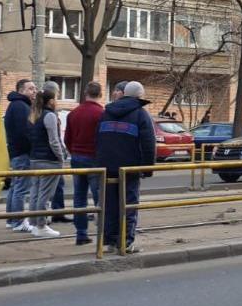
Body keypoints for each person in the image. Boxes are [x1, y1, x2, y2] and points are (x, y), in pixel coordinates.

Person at [96, 81, 156, 253]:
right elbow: (148, 144)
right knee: (128, 205)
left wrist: (99, 162)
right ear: (139, 96)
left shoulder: (106, 112)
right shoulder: (141, 114)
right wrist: (147, 169)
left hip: (106, 167)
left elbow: (98, 138)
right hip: (130, 169)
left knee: (110, 205)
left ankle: (110, 241)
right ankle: (126, 242)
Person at [26, 82, 69, 238]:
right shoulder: (49, 115)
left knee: (35, 193)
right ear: (51, 101)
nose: (56, 101)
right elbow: (54, 140)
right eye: (56, 98)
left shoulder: (34, 114)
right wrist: (61, 157)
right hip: (49, 160)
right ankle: (41, 225)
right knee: (44, 194)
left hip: (35, 158)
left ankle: (33, 223)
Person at [65, 81, 105, 245]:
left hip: (77, 158)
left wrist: (74, 151)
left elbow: (67, 139)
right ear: (100, 94)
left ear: (85, 94)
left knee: (79, 198)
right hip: (95, 159)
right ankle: (103, 235)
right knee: (99, 199)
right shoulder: (102, 114)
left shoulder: (73, 113)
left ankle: (81, 234)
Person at [3, 79, 37, 232]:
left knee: (16, 186)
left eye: (35, 88)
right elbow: (26, 131)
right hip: (23, 152)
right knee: (21, 188)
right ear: (21, 90)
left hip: (16, 151)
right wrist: (32, 148)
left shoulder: (15, 105)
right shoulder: (21, 107)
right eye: (31, 89)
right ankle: (18, 221)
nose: (34, 91)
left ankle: (11, 220)